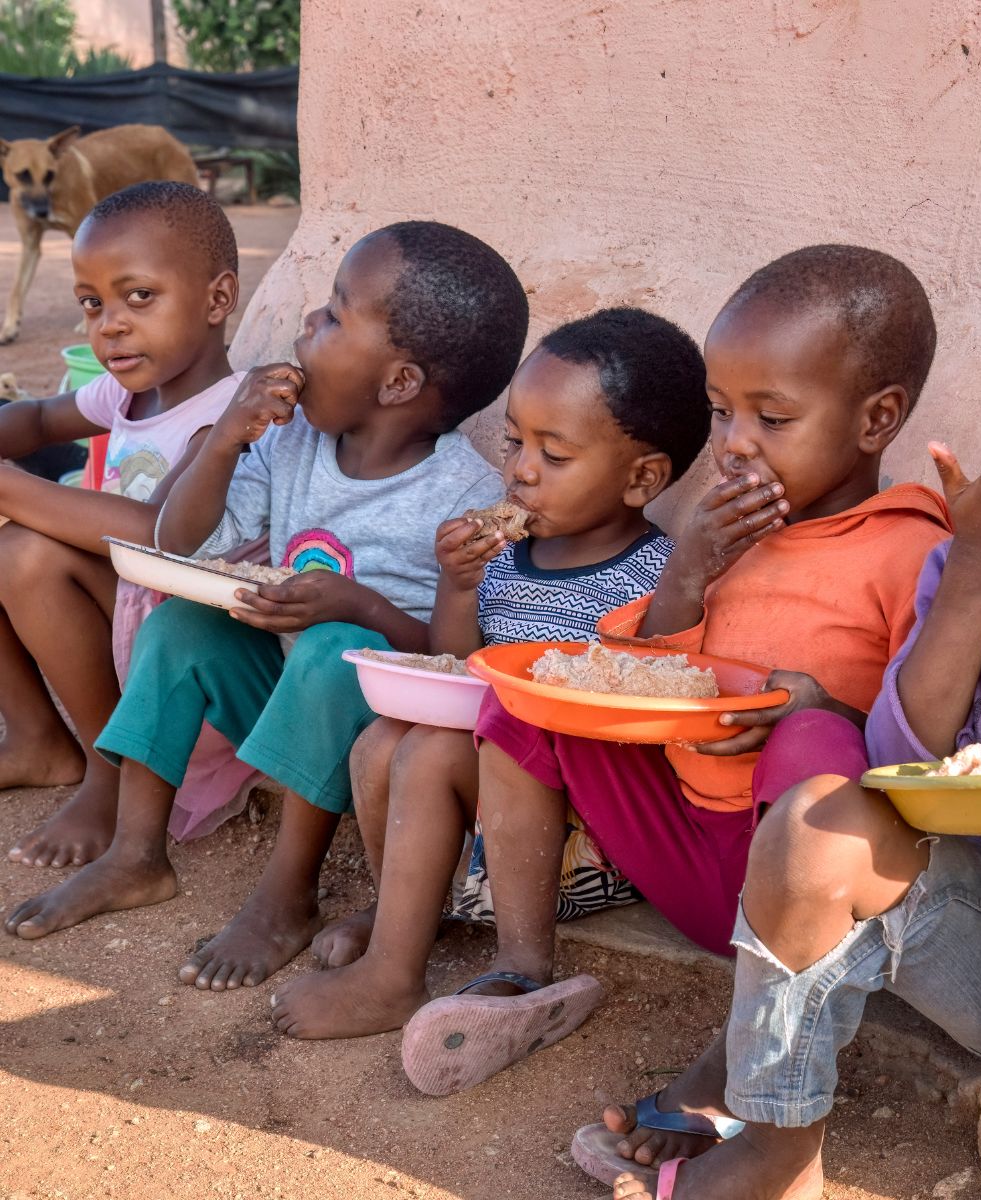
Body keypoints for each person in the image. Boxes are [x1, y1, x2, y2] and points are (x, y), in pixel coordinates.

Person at [604, 181, 981, 1200]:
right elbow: (898, 755)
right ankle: (778, 1150)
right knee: (815, 823)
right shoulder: (970, 550)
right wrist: (977, 572)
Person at [398, 245, 954, 1100]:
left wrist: (831, 709)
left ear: (876, 420)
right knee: (539, 698)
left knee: (808, 730)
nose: (734, 446)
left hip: (807, 886)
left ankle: (749, 1050)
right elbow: (630, 678)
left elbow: (933, 741)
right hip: (690, 863)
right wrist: (689, 569)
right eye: (722, 412)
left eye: (772, 418)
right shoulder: (719, 533)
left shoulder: (912, 548)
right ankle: (523, 972)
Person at [2, 221, 530, 1004]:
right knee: (181, 620)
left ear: (397, 382)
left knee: (331, 648)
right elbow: (182, 540)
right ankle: (138, 851)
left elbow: (451, 663)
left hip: (363, 743)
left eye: (334, 316)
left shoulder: (464, 495)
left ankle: (288, 891)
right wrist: (225, 442)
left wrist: (356, 604)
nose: (305, 327)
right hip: (269, 699)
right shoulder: (290, 445)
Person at [268, 306, 712, 1039]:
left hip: (576, 845)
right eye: (513, 442)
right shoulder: (501, 557)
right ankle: (407, 912)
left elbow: (643, 705)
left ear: (641, 479)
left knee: (435, 749)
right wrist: (459, 587)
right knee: (382, 741)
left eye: (555, 455)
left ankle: (396, 975)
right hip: (480, 816)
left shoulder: (652, 579)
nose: (521, 470)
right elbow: (454, 667)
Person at [0, 182, 244, 870]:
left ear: (216, 299)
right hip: (120, 617)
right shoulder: (131, 391)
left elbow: (153, 528)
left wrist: (9, 486)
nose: (110, 324)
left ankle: (111, 774)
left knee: (21, 554)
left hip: (183, 656)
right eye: (92, 303)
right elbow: (42, 419)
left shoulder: (231, 414)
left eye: (139, 297)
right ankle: (36, 739)